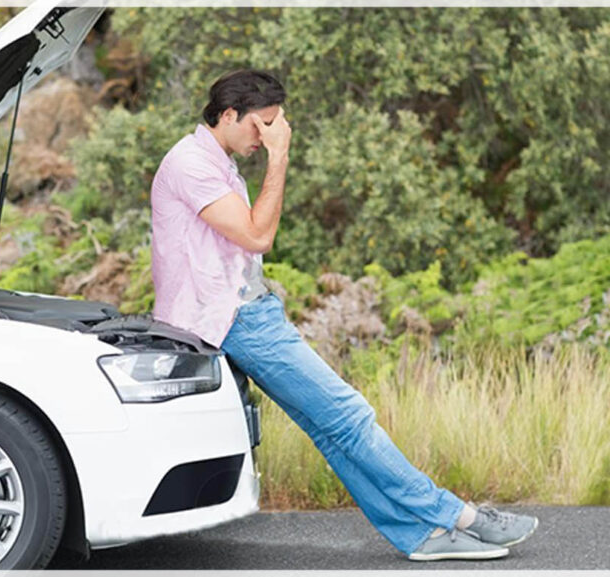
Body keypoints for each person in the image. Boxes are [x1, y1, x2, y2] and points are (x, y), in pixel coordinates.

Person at [149, 69, 538, 561]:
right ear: (229, 115)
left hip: (244, 311)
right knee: (350, 417)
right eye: (262, 125)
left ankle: (420, 538)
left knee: (333, 429)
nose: (268, 136)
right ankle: (458, 516)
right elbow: (257, 236)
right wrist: (280, 157)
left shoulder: (216, 159)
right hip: (234, 319)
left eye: (275, 128)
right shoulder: (190, 163)